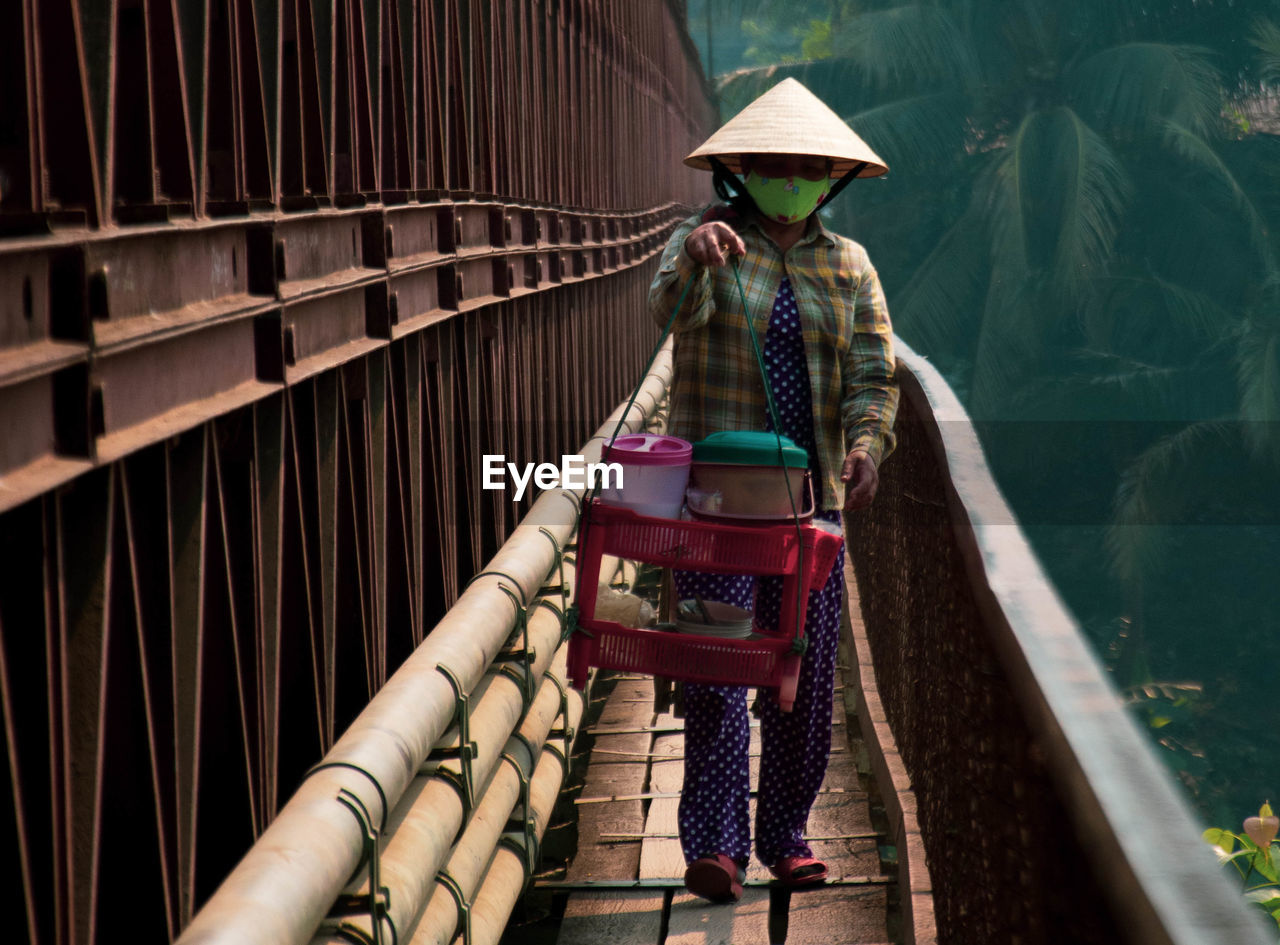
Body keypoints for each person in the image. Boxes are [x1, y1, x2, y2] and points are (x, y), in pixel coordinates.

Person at [647, 78, 899, 903]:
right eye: (774, 165)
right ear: (742, 170)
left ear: (829, 178)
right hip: (716, 505)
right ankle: (717, 845)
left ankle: (786, 832)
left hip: (809, 507)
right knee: (717, 667)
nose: (790, 178)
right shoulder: (705, 241)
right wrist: (693, 255)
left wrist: (866, 447)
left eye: (806, 167)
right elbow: (666, 311)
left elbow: (873, 372)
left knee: (803, 669)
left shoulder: (849, 266)